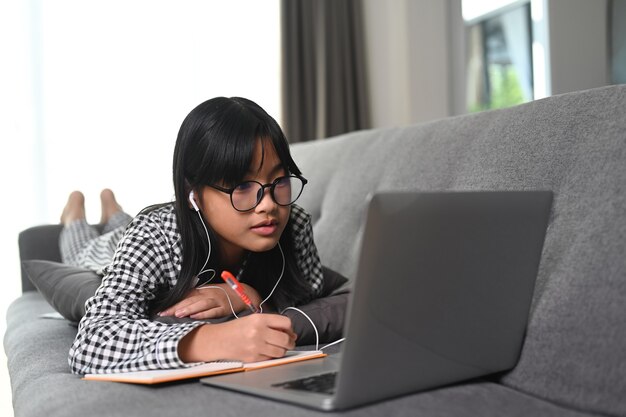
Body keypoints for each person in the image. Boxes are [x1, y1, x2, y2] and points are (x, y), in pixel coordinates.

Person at [67, 97, 349, 375]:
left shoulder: (293, 223)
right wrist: (212, 340)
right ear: (194, 194)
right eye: (242, 186)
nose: (269, 204)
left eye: (279, 181)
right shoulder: (154, 236)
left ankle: (113, 210)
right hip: (115, 248)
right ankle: (74, 216)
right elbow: (91, 342)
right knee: (83, 249)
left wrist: (251, 297)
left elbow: (309, 293)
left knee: (118, 222)